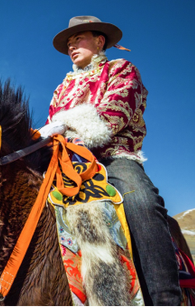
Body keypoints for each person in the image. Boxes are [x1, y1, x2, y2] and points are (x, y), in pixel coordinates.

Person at [41, 16, 181, 306]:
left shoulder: (123, 70)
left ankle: (165, 298)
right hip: (66, 162)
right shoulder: (61, 88)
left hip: (113, 156)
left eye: (77, 39)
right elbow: (50, 126)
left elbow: (116, 112)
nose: (71, 46)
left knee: (141, 201)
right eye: (68, 43)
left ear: (99, 41)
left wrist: (68, 128)